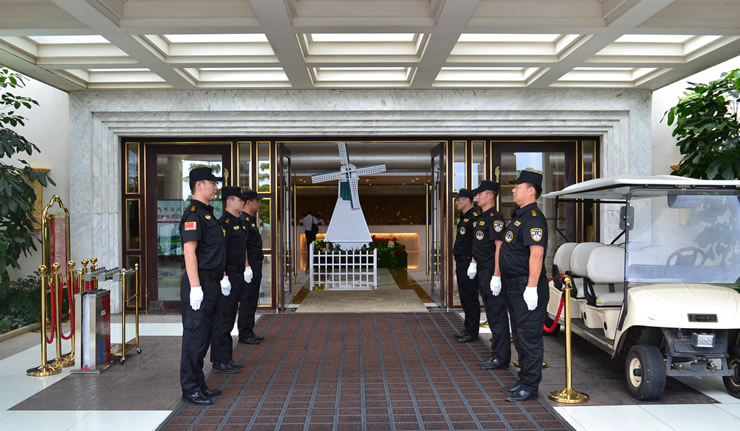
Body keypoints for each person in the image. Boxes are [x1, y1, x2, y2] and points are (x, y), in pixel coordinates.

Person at [500, 170, 549, 402]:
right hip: (514, 284)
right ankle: (523, 379)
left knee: (529, 337)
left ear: (531, 191)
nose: (513, 190)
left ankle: (530, 386)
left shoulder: (533, 218)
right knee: (519, 336)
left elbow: (536, 254)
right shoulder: (520, 216)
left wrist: (531, 287)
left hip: (526, 285)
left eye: (517, 186)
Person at [179, 166, 227, 406]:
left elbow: (215, 251)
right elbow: (190, 252)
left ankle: (199, 384)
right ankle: (190, 389)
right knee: (195, 337)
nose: (216, 187)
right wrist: (195, 287)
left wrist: (223, 276)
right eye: (212, 183)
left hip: (212, 281)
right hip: (199, 282)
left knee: (205, 335)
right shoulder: (193, 215)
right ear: (199, 185)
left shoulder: (208, 214)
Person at [468, 180, 509, 369]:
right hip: (482, 270)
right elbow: (479, 245)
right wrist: (473, 263)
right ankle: (496, 353)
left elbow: (499, 247)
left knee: (497, 315)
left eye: (480, 193)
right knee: (491, 314)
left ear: (490, 195)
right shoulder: (482, 218)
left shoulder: (495, 219)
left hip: (492, 270)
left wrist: (497, 275)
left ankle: (501, 357)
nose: (477, 196)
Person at [210, 186, 248, 374]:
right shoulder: (223, 224)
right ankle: (219, 360)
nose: (243, 202)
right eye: (240, 199)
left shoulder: (238, 222)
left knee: (230, 316)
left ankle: (226, 357)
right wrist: (224, 277)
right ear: (229, 201)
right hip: (228, 275)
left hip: (238, 273)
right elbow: (221, 253)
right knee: (223, 318)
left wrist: (247, 267)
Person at [451, 188, 480, 343]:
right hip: (461, 261)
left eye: (459, 199)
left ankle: (472, 332)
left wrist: (473, 263)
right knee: (464, 296)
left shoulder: (474, 218)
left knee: (470, 297)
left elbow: (477, 243)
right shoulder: (464, 218)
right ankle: (467, 328)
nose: (457, 202)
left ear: (467, 200)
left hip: (469, 261)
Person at [238, 189, 264, 345]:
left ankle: (249, 330)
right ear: (248, 202)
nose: (259, 204)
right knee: (247, 299)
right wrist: (247, 266)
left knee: (253, 298)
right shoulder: (243, 220)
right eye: (257, 201)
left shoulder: (251, 220)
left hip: (256, 264)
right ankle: (245, 333)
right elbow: (243, 246)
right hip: (250, 265)